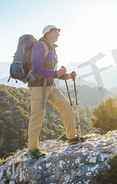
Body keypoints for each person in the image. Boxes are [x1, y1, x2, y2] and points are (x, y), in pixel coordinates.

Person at [27, 25, 83, 159]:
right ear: (48, 33)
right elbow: (36, 69)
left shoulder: (52, 49)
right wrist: (56, 73)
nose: (58, 34)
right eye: (56, 31)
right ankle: (33, 149)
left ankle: (72, 137)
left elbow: (52, 73)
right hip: (38, 87)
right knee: (37, 117)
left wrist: (67, 76)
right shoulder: (40, 46)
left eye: (58, 32)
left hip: (50, 86)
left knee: (66, 107)